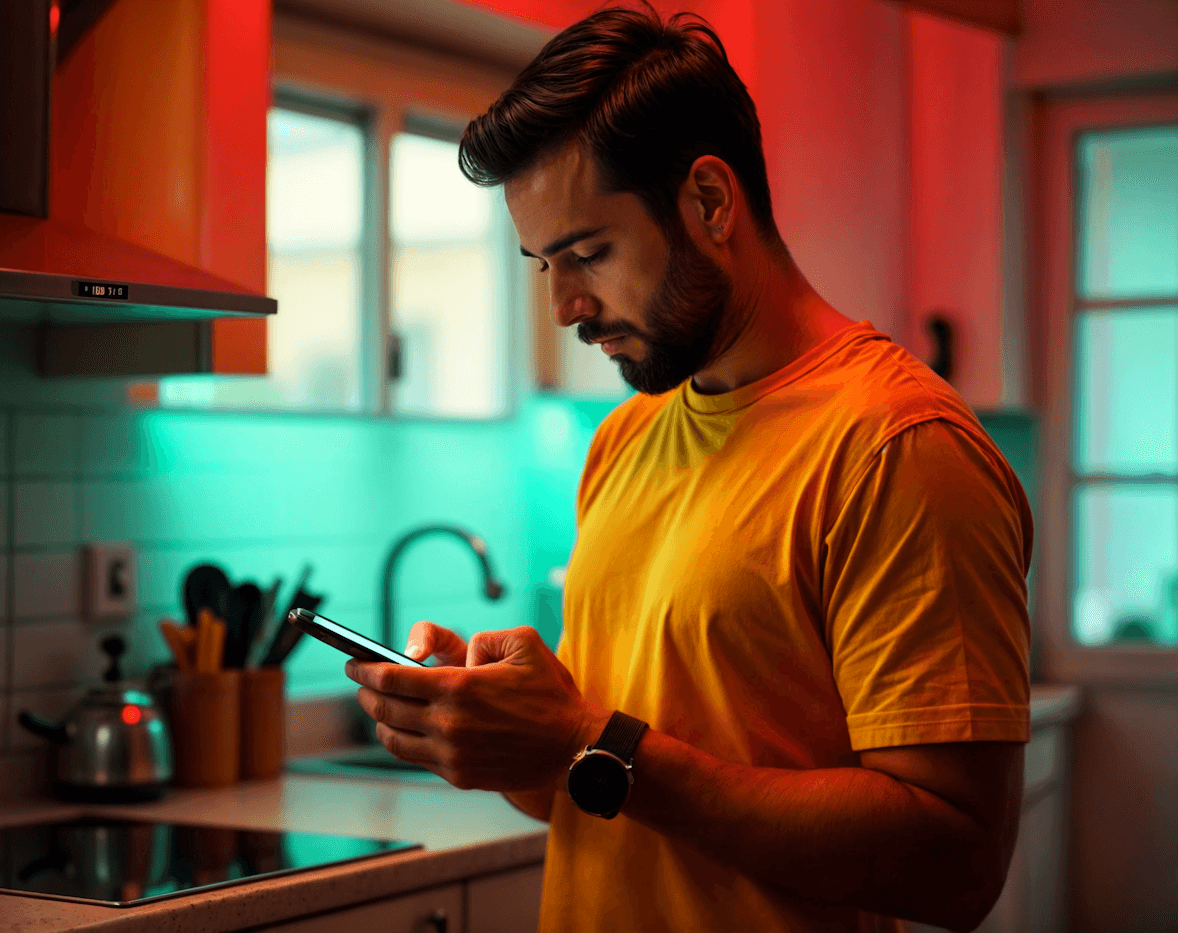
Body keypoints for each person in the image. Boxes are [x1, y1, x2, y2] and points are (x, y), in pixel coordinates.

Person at [345, 5, 1032, 931]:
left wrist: (591, 742)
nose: (564, 307)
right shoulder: (624, 439)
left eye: (588, 252)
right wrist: (511, 739)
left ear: (710, 203)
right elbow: (596, 786)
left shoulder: (899, 448)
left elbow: (957, 863)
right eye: (544, 263)